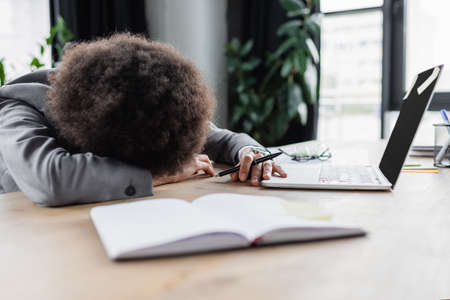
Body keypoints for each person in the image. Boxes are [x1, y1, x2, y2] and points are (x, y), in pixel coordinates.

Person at [0, 33, 286, 206]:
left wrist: (250, 151)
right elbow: (52, 179)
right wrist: (158, 174)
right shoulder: (18, 105)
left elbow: (216, 137)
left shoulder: (145, 98)